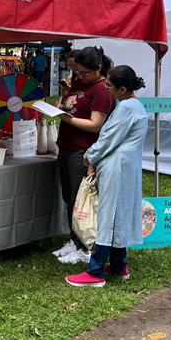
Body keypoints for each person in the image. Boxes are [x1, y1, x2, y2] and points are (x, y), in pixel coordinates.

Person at [66, 65, 148, 287]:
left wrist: (90, 155)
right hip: (125, 166)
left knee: (108, 215)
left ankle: (96, 271)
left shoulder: (126, 109)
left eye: (109, 86)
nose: (106, 89)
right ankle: (119, 264)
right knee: (118, 214)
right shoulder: (135, 106)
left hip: (117, 167)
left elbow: (109, 138)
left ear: (122, 89)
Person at [53, 46, 114, 259]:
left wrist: (64, 117)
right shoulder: (79, 82)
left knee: (81, 199)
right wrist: (60, 104)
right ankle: (74, 240)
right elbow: (72, 105)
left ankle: (84, 245)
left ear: (98, 68)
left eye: (85, 73)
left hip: (83, 150)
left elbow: (95, 124)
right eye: (77, 72)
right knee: (69, 196)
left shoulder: (102, 90)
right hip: (66, 145)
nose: (80, 76)